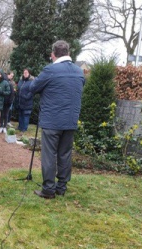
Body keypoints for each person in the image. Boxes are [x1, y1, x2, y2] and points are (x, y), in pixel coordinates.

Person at [30, 40, 85, 199]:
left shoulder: (50, 70)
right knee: (65, 154)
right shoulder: (78, 72)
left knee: (49, 155)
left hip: (52, 121)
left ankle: (48, 189)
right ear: (69, 53)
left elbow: (34, 88)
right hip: (70, 120)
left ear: (53, 55)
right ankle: (61, 187)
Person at [16, 68, 34, 135]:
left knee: (26, 116)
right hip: (20, 102)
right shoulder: (21, 81)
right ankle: (20, 127)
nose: (25, 74)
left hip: (27, 102)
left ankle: (24, 128)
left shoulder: (32, 81)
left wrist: (26, 96)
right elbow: (18, 88)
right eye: (24, 72)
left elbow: (32, 91)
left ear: (29, 73)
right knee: (20, 115)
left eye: (26, 72)